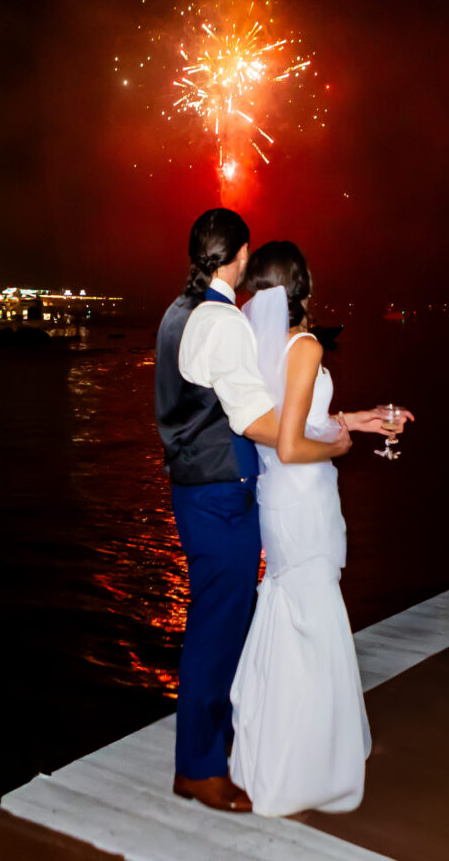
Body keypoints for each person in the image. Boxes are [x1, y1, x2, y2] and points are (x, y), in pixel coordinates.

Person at [155, 211, 352, 813]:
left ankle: (217, 743)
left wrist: (333, 422)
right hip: (220, 498)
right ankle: (200, 769)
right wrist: (321, 442)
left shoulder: (175, 313)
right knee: (217, 631)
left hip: (196, 490)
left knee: (219, 624)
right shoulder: (222, 321)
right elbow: (254, 421)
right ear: (240, 257)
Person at [230, 240, 413, 817]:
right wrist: (337, 445)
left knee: (296, 614)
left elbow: (291, 420)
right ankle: (306, 766)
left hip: (278, 501)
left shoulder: (264, 347)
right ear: (303, 286)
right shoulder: (305, 345)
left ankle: (274, 752)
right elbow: (294, 443)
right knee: (311, 619)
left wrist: (355, 421)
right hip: (304, 500)